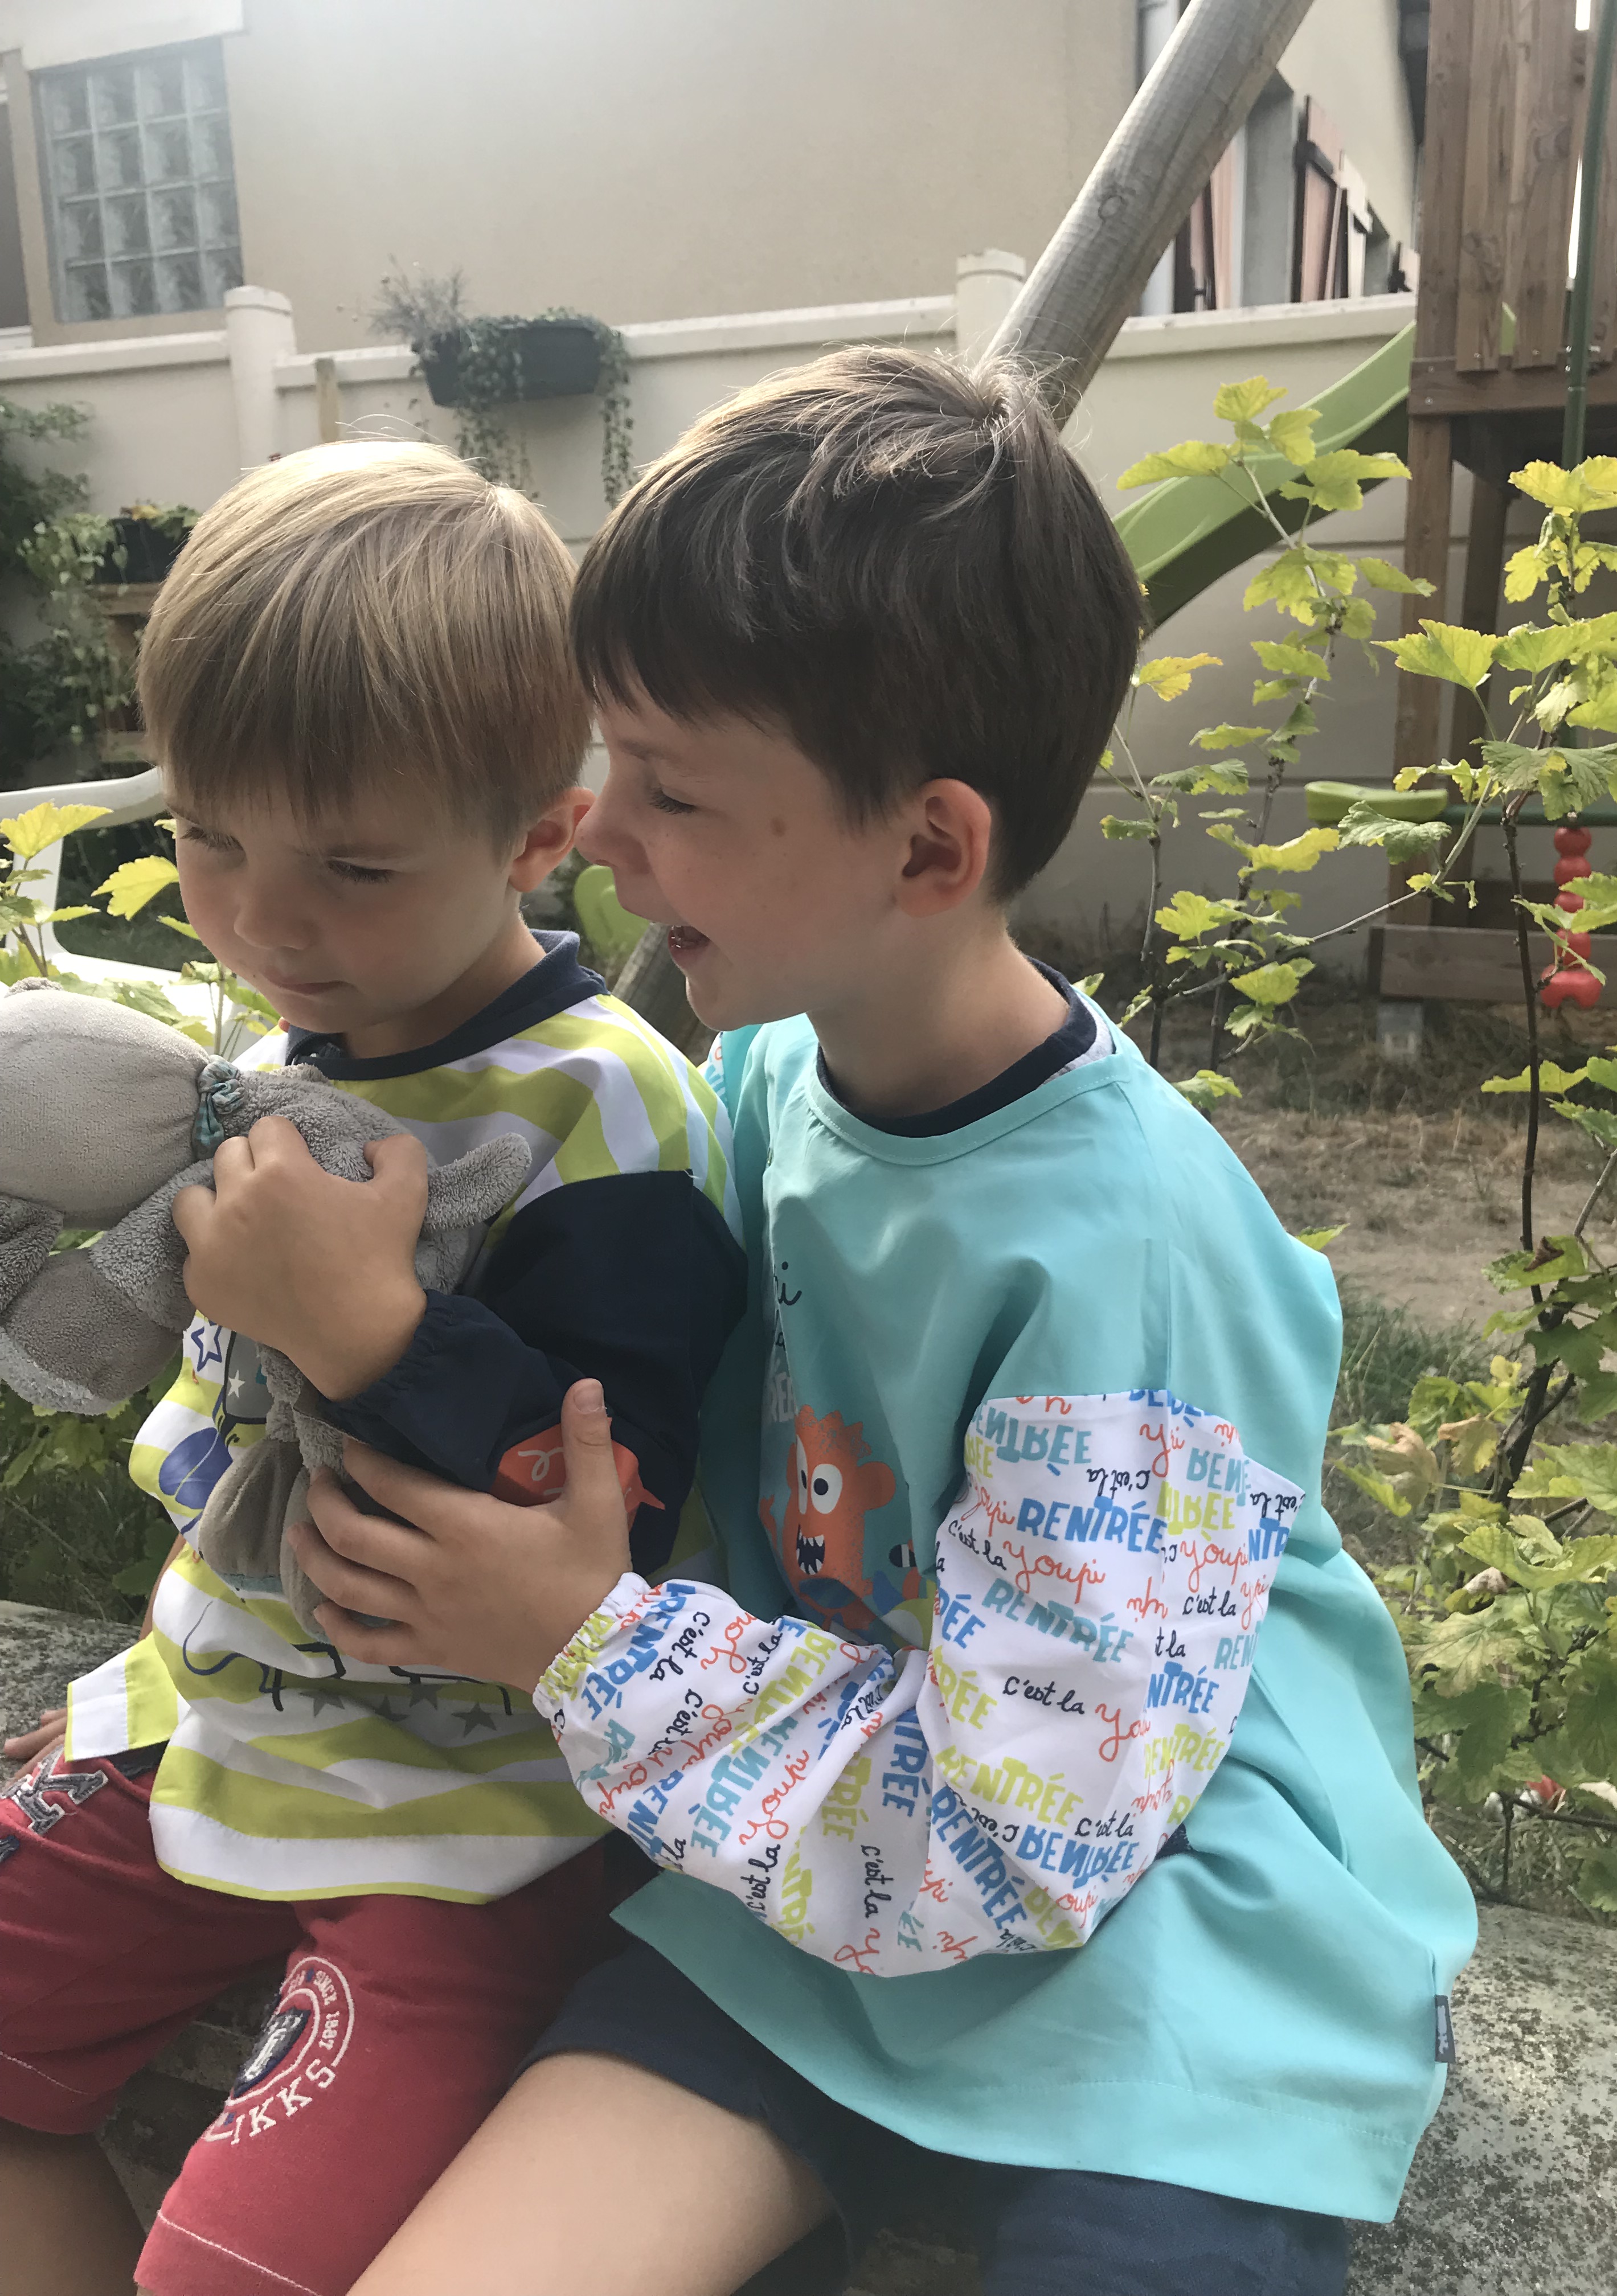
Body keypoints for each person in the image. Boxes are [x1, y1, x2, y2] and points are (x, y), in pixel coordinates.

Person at [292, 351, 1479, 2296]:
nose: (599, 830)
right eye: (612, 760)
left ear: (928, 849)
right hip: (800, 1868)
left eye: (673, 789)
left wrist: (581, 1640)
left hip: (1168, 1924)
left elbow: (1032, 1836)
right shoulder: (771, 1078)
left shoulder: (1122, 1251)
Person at [0, 442, 744, 2296]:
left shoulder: (604, 1115)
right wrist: (145, 1675)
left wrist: (370, 1334)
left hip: (482, 1819)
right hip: (220, 1723)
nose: (268, 918)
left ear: (539, 838)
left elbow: (619, 1508)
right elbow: (229, 1433)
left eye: (350, 863)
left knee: (233, 2269)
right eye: (209, 838)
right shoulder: (286, 1056)